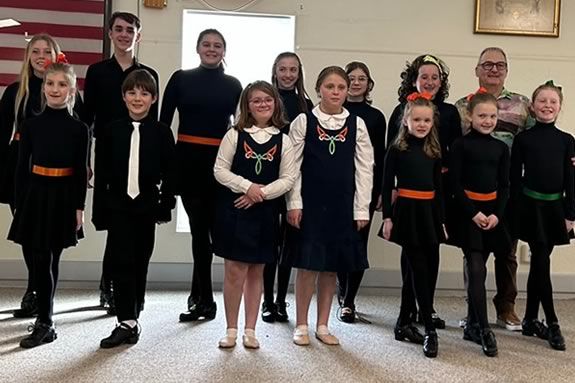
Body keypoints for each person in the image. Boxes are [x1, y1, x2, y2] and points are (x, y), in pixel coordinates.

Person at [286, 66, 373, 346]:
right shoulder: (303, 121)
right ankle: (301, 323)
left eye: (341, 88)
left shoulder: (357, 124)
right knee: (308, 266)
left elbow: (364, 169)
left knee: (330, 267)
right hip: (310, 204)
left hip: (341, 205)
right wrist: (293, 203)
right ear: (318, 89)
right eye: (329, 87)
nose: (335, 92)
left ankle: (323, 324)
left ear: (348, 91)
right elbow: (292, 166)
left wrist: (361, 209)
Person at [160, 29, 242, 322]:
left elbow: (241, 130)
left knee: (213, 234)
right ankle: (204, 299)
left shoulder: (234, 84)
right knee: (199, 233)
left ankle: (201, 296)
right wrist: (166, 168)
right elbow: (163, 125)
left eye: (217, 45)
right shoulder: (180, 78)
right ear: (197, 48)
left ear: (224, 50)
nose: (211, 49)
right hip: (188, 164)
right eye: (206, 44)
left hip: (220, 166)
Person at [0, 34, 83, 318]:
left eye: (46, 51)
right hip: (22, 168)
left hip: (59, 171)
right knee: (30, 236)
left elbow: (82, 131)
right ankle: (34, 289)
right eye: (35, 51)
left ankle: (43, 296)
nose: (40, 55)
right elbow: (2, 134)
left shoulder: (67, 92)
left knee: (52, 243)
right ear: (28, 56)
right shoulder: (15, 90)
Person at [84, 11, 159, 313]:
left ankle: (130, 291)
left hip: (139, 159)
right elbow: (87, 121)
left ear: (137, 36)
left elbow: (153, 125)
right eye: (119, 29)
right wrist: (87, 161)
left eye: (130, 30)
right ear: (110, 34)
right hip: (107, 157)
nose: (125, 34)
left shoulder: (149, 74)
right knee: (114, 225)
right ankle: (109, 285)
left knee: (136, 227)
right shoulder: (97, 72)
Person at [94, 70, 176, 348]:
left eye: (144, 93)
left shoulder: (162, 133)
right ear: (123, 96)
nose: (137, 98)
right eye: (132, 92)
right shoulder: (111, 131)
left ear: (153, 99)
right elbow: (102, 174)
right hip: (118, 205)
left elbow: (171, 173)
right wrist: (99, 212)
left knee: (140, 260)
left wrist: (165, 205)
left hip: (146, 206)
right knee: (121, 262)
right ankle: (125, 321)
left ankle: (134, 314)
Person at [454, 47, 532, 331]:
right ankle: (474, 308)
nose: (494, 70)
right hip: (473, 191)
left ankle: (506, 308)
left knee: (507, 252)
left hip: (508, 189)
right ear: (477, 70)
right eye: (487, 64)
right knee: (473, 253)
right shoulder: (462, 106)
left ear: (507, 70)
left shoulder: (523, 105)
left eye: (500, 65)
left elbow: (534, 143)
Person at [213, 81, 295, 349]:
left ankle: (250, 329)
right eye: (256, 100)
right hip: (235, 210)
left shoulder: (284, 140)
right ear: (247, 106)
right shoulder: (234, 135)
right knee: (234, 271)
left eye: (267, 100)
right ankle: (231, 329)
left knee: (256, 272)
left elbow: (289, 178)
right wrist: (248, 187)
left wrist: (261, 193)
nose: (262, 104)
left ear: (275, 103)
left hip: (266, 213)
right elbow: (220, 170)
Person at [387, 54, 460, 330]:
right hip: (408, 195)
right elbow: (391, 152)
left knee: (432, 253)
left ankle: (424, 308)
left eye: (435, 77)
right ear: (414, 80)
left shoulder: (450, 112)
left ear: (441, 82)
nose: (430, 81)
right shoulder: (401, 110)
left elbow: (455, 152)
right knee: (412, 256)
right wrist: (392, 191)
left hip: (437, 194)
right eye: (424, 76)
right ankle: (411, 311)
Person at [510, 81, 574, 351]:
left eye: (553, 102)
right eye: (542, 101)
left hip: (554, 209)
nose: (547, 105)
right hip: (530, 207)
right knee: (540, 260)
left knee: (540, 261)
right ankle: (552, 321)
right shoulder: (523, 139)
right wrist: (513, 210)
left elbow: (572, 182)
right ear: (532, 106)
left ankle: (529, 319)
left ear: (559, 107)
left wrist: (571, 214)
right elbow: (514, 178)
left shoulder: (567, 141)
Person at [381, 92, 445, 358]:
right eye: (416, 119)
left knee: (419, 269)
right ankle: (429, 328)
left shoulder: (435, 151)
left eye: (426, 120)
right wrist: (387, 217)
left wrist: (441, 220)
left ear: (432, 123)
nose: (421, 124)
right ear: (406, 121)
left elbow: (439, 189)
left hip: (429, 213)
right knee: (418, 268)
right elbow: (386, 185)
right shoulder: (396, 150)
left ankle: (402, 323)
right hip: (406, 212)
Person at [450, 90, 510, 357]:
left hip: (493, 214)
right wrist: (473, 213)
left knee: (483, 267)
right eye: (482, 115)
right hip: (469, 213)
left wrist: (497, 214)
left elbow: (506, 186)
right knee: (475, 268)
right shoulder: (461, 145)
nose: (487, 121)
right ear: (470, 116)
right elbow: (455, 184)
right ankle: (484, 327)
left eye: (492, 116)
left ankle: (472, 325)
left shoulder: (501, 147)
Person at [261, 52, 313, 323]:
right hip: (271, 179)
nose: (288, 74)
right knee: (271, 244)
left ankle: (282, 300)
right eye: (283, 69)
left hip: (296, 184)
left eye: (293, 69)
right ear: (275, 71)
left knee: (289, 245)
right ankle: (267, 301)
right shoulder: (267, 101)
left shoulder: (307, 104)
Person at [337, 61, 386, 323]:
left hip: (365, 189)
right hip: (336, 190)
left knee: (357, 245)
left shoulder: (376, 117)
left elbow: (380, 157)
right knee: (338, 242)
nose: (356, 83)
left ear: (369, 84)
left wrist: (379, 191)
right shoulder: (331, 114)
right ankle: (340, 289)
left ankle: (349, 300)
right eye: (351, 78)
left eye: (361, 79)